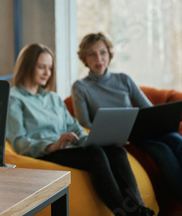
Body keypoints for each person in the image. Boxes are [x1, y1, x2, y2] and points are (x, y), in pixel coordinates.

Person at [7, 43, 182, 216]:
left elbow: (74, 126)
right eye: (41, 66)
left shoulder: (53, 99)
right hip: (45, 151)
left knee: (114, 150)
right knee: (95, 155)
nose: (47, 72)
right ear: (27, 66)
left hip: (70, 147)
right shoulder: (15, 98)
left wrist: (92, 139)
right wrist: (53, 144)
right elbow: (19, 141)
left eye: (49, 67)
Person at [71, 32, 182, 203]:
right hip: (120, 138)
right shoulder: (80, 87)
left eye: (103, 52)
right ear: (84, 58)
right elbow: (85, 124)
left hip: (143, 130)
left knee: (177, 140)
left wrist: (161, 122)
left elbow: (148, 110)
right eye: (91, 54)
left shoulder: (123, 79)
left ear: (109, 54)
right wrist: (113, 137)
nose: (98, 59)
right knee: (163, 151)